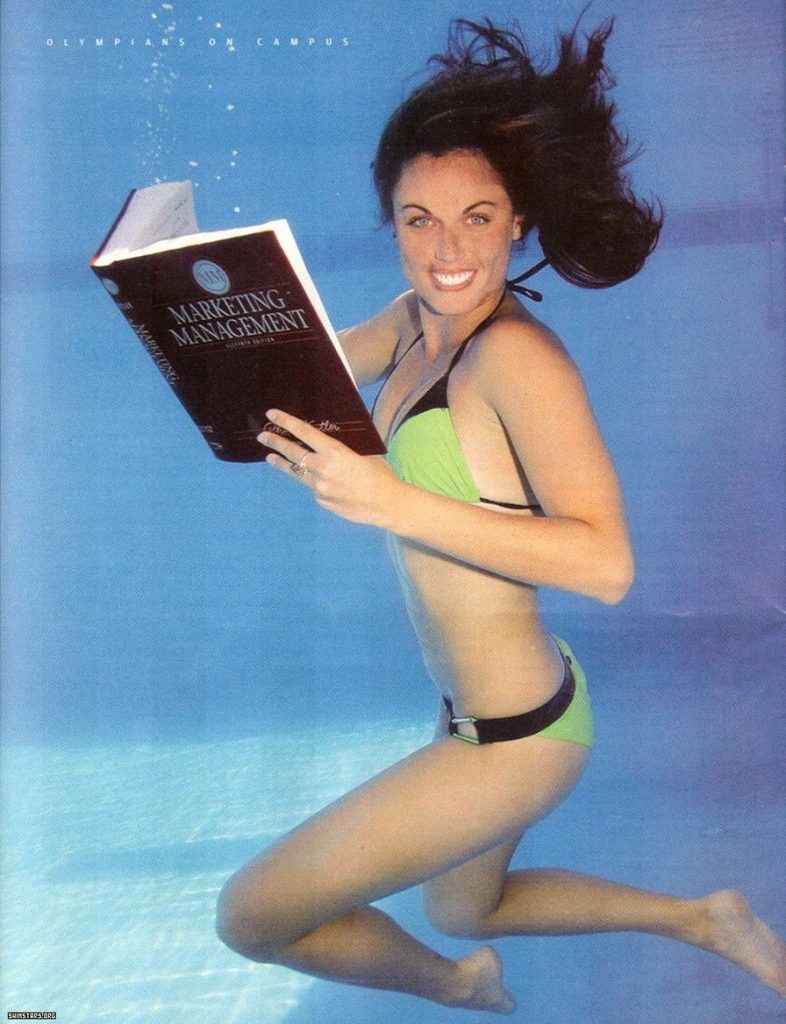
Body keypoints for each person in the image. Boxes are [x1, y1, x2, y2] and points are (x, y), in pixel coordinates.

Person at [215, 15, 786, 1013]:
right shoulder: (416, 321)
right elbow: (290, 380)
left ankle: (457, 987)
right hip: (476, 709)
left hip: (521, 738)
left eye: (476, 217)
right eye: (418, 219)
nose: (446, 249)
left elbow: (607, 565)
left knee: (251, 915)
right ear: (392, 224)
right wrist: (178, 303)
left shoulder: (517, 359)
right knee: (465, 904)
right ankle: (702, 917)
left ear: (517, 221)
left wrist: (393, 500)